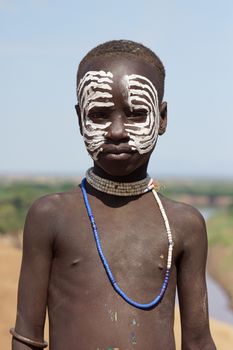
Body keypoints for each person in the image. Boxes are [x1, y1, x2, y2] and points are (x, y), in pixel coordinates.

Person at [11, 40, 216, 350]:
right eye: (100, 114)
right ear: (79, 117)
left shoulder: (184, 225)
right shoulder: (50, 216)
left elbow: (199, 343)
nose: (117, 131)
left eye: (134, 114)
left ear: (161, 119)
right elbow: (27, 339)